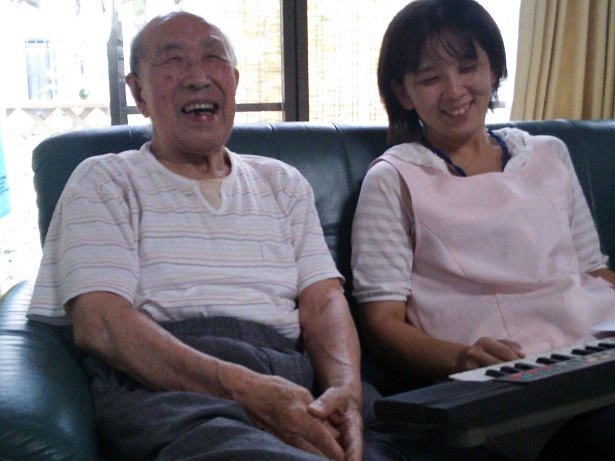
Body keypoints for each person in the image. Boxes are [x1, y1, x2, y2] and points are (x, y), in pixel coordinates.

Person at [27, 11, 412, 461]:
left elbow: (324, 300)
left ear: (234, 80)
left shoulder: (282, 182)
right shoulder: (104, 180)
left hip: (292, 376)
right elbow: (101, 325)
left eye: (213, 58)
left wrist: (344, 392)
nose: (198, 77)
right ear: (138, 92)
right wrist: (248, 390)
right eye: (173, 60)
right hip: (169, 389)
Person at [351, 0, 615, 460]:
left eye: (468, 67)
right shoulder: (393, 179)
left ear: (494, 69)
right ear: (403, 92)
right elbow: (381, 324)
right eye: (430, 78)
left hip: (599, 352)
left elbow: (594, 272)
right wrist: (461, 359)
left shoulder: (548, 153)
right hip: (514, 387)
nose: (454, 90)